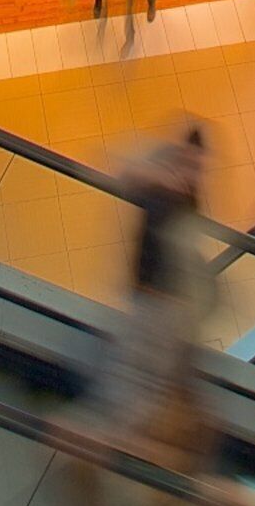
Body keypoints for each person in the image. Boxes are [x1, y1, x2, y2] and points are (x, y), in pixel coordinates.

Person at [88, 122, 215, 462]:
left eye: (196, 165)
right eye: (188, 162)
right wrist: (160, 176)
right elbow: (120, 169)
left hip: (167, 307)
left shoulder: (188, 200)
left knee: (146, 377)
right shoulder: (163, 185)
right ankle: (133, 444)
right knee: (141, 374)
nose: (191, 171)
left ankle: (136, 448)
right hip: (150, 298)